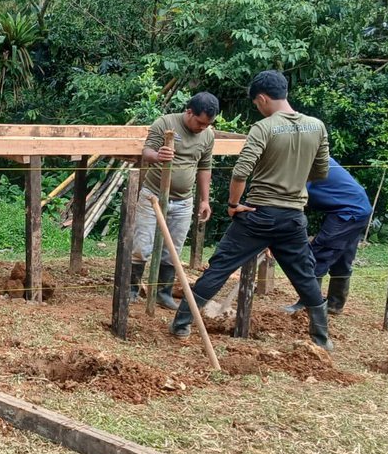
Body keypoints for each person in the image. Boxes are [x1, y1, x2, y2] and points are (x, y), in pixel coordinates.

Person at [169, 70, 334, 350]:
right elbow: (321, 172)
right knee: (304, 276)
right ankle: (322, 337)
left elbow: (241, 171)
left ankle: (182, 323)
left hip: (258, 214)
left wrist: (234, 205)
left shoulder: (264, 128)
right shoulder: (317, 127)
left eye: (257, 104)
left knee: (220, 267)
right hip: (293, 217)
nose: (258, 108)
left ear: (262, 98)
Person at [130, 92, 219, 308]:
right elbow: (146, 151)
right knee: (142, 245)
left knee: (173, 250)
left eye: (208, 124)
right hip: (153, 196)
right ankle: (131, 289)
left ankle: (163, 292)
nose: (202, 128)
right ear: (189, 112)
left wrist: (205, 200)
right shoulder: (166, 123)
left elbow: (205, 167)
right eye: (200, 122)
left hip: (183, 201)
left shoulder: (208, 135)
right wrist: (157, 156)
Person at [284, 159, 372, 316]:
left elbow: (295, 199)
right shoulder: (314, 155)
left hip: (347, 212)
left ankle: (308, 304)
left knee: (318, 255)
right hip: (359, 208)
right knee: (342, 259)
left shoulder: (302, 162)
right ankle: (335, 304)